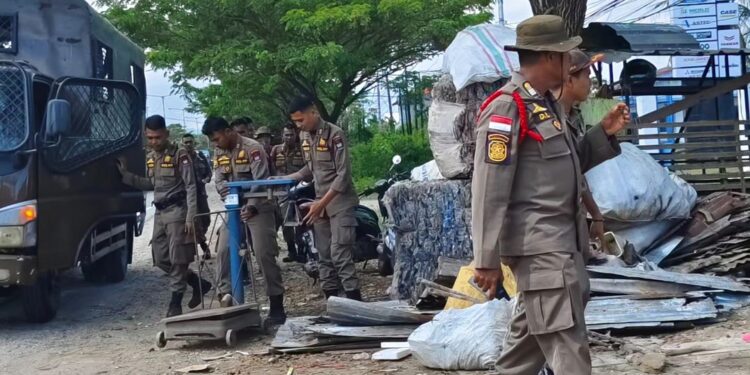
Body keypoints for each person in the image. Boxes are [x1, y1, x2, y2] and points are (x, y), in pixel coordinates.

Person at [470, 15, 630, 375]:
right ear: (548, 57)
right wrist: (486, 259)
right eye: (565, 55)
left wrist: (603, 133)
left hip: (558, 247)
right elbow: (488, 188)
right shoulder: (507, 107)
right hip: (540, 249)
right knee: (569, 349)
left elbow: (567, 168)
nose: (571, 63)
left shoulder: (544, 105)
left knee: (524, 354)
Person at [117, 115, 211, 317]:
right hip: (160, 213)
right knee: (160, 258)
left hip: (179, 212)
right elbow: (151, 185)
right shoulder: (151, 157)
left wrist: (191, 217)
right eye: (150, 138)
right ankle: (197, 282)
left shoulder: (180, 154)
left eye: (157, 137)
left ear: (166, 134)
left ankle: (175, 304)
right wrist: (125, 176)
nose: (154, 142)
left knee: (178, 259)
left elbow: (191, 186)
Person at [202, 117, 287, 325]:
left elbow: (261, 180)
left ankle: (276, 305)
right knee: (223, 250)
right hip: (234, 209)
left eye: (217, 138)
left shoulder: (253, 148)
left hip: (258, 207)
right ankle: (226, 298)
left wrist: (251, 205)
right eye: (212, 141)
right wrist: (227, 196)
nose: (216, 144)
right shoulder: (219, 152)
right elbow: (219, 180)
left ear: (228, 131)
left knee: (263, 252)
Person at [278, 96, 362, 301]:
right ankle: (332, 303)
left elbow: (343, 176)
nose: (299, 125)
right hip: (319, 203)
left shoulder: (335, 134)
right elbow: (311, 168)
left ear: (313, 112)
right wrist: (287, 178)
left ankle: (354, 302)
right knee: (323, 255)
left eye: (301, 120)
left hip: (339, 203)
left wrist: (320, 204)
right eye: (296, 122)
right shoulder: (305, 137)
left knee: (340, 254)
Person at [557, 49, 609, 248]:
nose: (590, 82)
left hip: (573, 226)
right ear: (569, 80)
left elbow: (576, 170)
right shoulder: (549, 120)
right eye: (587, 75)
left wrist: (596, 215)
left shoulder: (572, 117)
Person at [270, 124, 307, 263]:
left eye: (291, 134)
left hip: (299, 188)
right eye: (286, 135)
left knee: (300, 221)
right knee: (285, 222)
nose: (289, 137)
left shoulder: (303, 148)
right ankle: (291, 250)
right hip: (280, 190)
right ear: (282, 135)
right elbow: (271, 168)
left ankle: (303, 249)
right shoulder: (276, 150)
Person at [182, 133, 213, 260]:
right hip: (187, 196)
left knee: (206, 219)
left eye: (190, 142)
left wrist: (206, 180)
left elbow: (209, 173)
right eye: (186, 142)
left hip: (201, 194)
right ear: (182, 144)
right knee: (195, 221)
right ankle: (203, 245)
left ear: (194, 143)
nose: (189, 144)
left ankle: (200, 239)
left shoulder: (200, 156)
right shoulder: (180, 158)